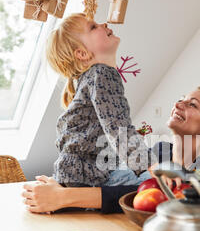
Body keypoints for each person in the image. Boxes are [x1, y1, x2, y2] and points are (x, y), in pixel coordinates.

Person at [22, 85, 200, 213]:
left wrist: (64, 197)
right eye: (181, 99)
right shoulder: (159, 152)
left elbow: (149, 198)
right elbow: (116, 183)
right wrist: (63, 187)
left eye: (192, 104)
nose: (179, 104)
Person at [45, 12, 150, 187]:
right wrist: (149, 165)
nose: (103, 24)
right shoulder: (102, 74)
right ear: (82, 54)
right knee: (168, 178)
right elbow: (118, 128)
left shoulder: (90, 77)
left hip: (76, 174)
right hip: (88, 178)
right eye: (93, 27)